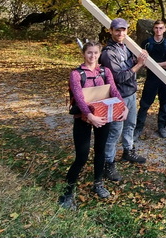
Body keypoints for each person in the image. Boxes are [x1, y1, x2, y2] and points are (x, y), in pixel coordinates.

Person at [59, 41, 128, 210]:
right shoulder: (76, 74)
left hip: (103, 115)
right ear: (84, 53)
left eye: (96, 52)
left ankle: (98, 183)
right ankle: (67, 193)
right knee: (82, 156)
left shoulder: (105, 71)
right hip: (84, 118)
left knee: (100, 151)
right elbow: (79, 97)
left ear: (99, 54)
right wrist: (90, 116)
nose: (92, 56)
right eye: (89, 52)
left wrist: (123, 106)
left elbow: (113, 90)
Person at [99, 18, 148, 182]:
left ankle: (128, 151)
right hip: (117, 97)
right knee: (115, 131)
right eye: (117, 30)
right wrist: (138, 65)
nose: (120, 33)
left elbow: (132, 64)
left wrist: (140, 58)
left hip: (130, 94)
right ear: (111, 31)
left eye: (123, 30)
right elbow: (118, 78)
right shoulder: (108, 53)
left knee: (130, 125)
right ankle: (108, 164)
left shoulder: (126, 47)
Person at [134, 20, 166, 139]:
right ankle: (138, 128)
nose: (158, 30)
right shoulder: (146, 43)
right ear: (153, 29)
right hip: (151, 77)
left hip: (165, 77)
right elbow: (142, 61)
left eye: (161, 28)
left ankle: (162, 127)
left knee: (165, 102)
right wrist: (165, 64)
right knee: (145, 103)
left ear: (164, 29)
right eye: (156, 28)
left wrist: (156, 65)